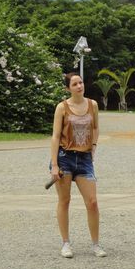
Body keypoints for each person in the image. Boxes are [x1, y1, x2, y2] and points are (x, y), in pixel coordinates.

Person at [49, 72, 106, 258]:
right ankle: (66, 243)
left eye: (81, 82)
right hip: (64, 157)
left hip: (84, 159)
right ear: (68, 88)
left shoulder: (93, 105)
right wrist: (55, 165)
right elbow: (56, 136)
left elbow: (96, 128)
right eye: (75, 84)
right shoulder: (62, 107)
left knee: (92, 202)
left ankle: (96, 244)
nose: (79, 86)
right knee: (65, 201)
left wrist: (94, 147)